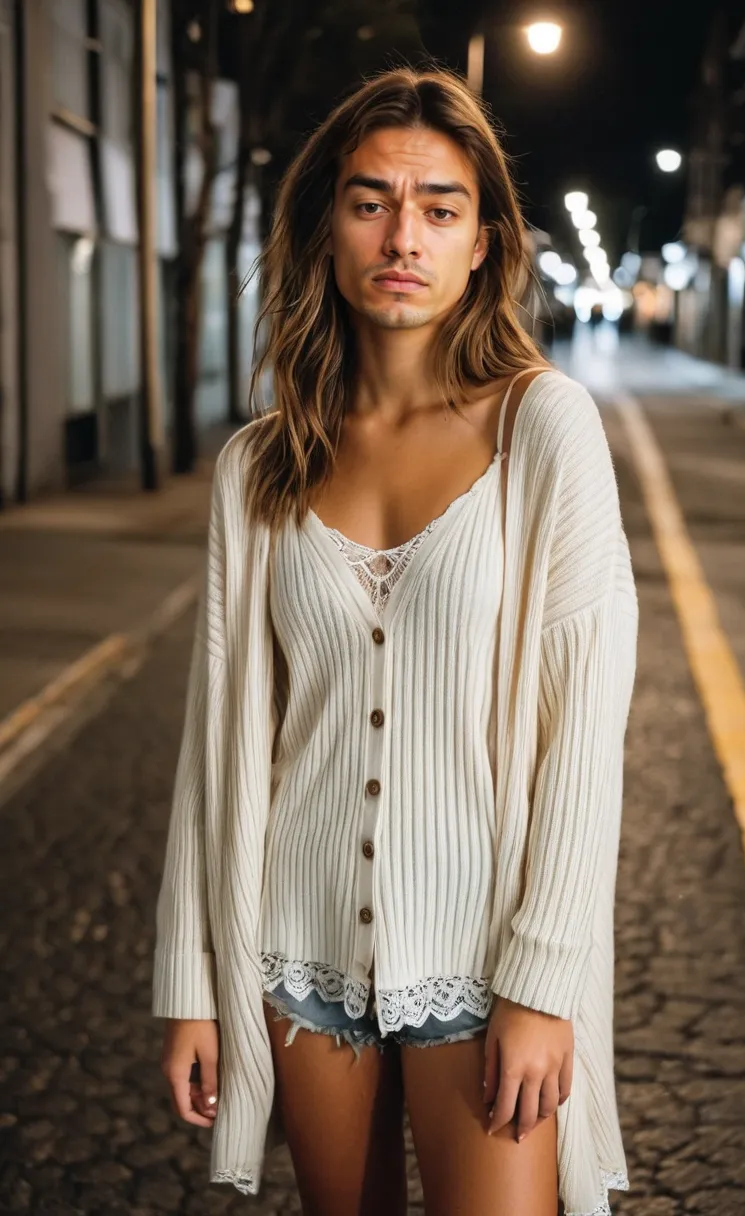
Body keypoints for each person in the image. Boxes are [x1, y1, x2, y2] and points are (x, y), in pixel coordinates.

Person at [151, 65, 638, 1216]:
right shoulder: (257, 465)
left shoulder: (545, 429)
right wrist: (192, 981)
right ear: (327, 226)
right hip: (296, 946)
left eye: (439, 206)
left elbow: (585, 733)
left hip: (484, 954)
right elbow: (217, 739)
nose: (401, 235)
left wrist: (542, 981)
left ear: (484, 241)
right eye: (370, 201)